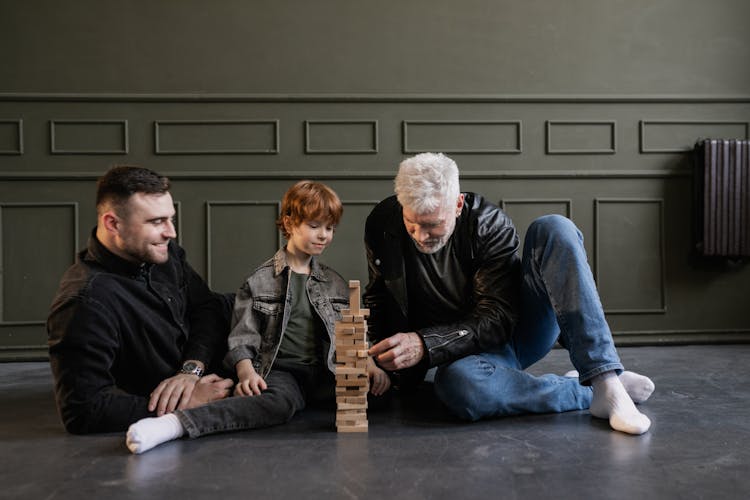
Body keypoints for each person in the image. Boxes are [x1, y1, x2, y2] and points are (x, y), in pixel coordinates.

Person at [365, 152, 654, 435]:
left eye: (432, 225)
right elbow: (379, 294)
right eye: (411, 223)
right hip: (456, 359)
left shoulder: (488, 223)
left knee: (555, 227)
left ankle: (607, 383)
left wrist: (426, 344)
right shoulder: (383, 223)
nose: (420, 236)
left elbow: (497, 318)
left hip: (512, 334)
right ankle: (585, 391)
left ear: (457, 204)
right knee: (460, 386)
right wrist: (372, 356)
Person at [126, 180, 391, 454]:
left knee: (379, 394)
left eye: (330, 228)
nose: (323, 235)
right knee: (278, 403)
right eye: (314, 226)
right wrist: (247, 373)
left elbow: (352, 330)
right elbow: (243, 336)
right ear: (289, 224)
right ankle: (176, 424)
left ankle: (304, 399)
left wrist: (368, 363)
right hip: (281, 370)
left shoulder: (333, 282)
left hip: (324, 371)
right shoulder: (261, 281)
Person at [47, 165, 234, 434]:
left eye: (171, 219)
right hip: (219, 379)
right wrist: (186, 402)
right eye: (156, 221)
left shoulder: (162, 252)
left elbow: (206, 308)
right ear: (112, 223)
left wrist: (191, 370)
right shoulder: (84, 301)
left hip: (219, 356)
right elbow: (83, 410)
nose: (171, 232)